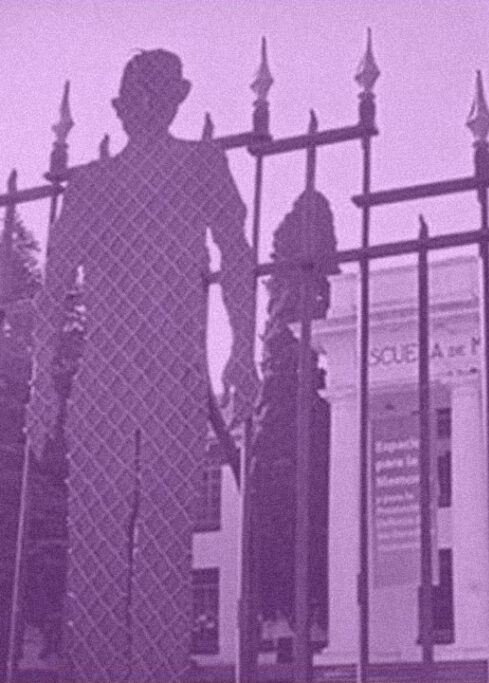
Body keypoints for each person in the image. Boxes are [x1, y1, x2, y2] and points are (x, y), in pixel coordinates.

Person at [27, 49, 258, 683]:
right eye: (136, 96)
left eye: (154, 95)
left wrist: (243, 347)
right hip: (107, 373)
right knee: (96, 532)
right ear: (121, 107)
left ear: (175, 100)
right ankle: (101, 670)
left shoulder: (201, 165)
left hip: (170, 371)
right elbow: (53, 288)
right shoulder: (92, 183)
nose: (144, 107)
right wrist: (43, 382)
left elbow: (237, 255)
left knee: (164, 529)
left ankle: (157, 668)